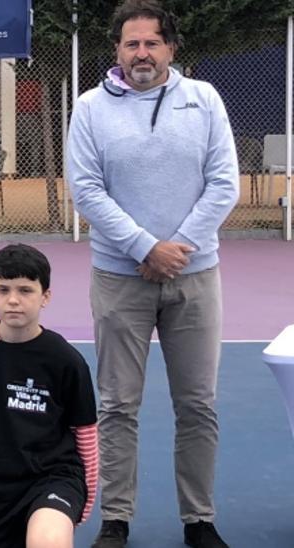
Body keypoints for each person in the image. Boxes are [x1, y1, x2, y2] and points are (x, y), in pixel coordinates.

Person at [65, 2, 239, 546]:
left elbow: (224, 182)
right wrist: (144, 247)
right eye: (131, 44)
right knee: (117, 404)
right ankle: (116, 518)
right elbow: (86, 189)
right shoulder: (90, 107)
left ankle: (199, 519)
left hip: (194, 276)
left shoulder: (203, 100)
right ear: (116, 50)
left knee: (198, 404)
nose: (142, 53)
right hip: (120, 278)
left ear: (171, 48)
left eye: (152, 43)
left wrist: (177, 250)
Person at [0, 244, 98, 548]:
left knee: (47, 540)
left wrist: (85, 497)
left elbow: (85, 434)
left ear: (46, 296)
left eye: (26, 290)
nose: (13, 300)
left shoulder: (66, 361)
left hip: (53, 478)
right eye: (3, 289)